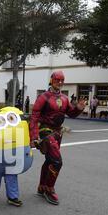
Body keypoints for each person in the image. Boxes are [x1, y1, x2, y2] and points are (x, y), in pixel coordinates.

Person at [29, 71, 86, 205]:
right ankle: (49, 189)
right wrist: (33, 137)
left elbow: (71, 113)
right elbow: (34, 117)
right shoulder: (43, 97)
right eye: (57, 80)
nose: (59, 82)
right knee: (57, 162)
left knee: (50, 160)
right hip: (45, 131)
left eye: (62, 80)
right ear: (51, 80)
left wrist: (78, 108)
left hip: (57, 133)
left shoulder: (65, 98)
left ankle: (42, 187)